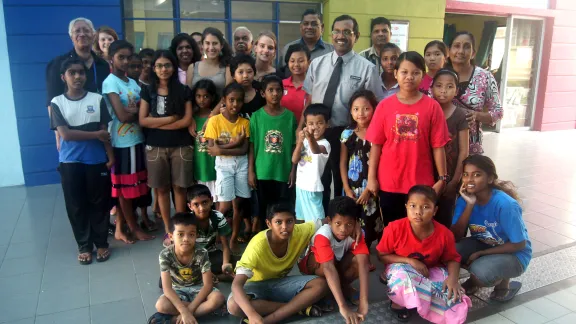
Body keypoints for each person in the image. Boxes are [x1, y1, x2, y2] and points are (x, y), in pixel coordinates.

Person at [304, 14, 385, 213]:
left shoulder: (367, 68)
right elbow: (308, 99)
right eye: (337, 31)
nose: (341, 36)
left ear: (356, 36)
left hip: (348, 134)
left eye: (347, 32)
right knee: (318, 179)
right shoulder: (317, 64)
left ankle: (343, 220)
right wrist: (303, 129)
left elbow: (375, 105)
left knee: (343, 180)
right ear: (331, 35)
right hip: (318, 132)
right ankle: (322, 220)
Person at [49, 58, 113, 265]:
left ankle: (101, 242)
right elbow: (65, 135)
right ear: (63, 77)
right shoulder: (57, 102)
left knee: (99, 203)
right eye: (72, 73)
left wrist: (110, 156)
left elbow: (106, 132)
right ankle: (84, 245)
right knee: (76, 205)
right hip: (70, 162)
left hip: (96, 160)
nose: (77, 76)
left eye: (81, 72)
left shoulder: (97, 99)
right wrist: (96, 135)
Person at [377, 185, 471, 323]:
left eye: (426, 207)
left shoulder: (444, 234)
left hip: (431, 270)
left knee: (454, 296)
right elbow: (382, 255)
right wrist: (410, 261)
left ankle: (420, 299)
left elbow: (453, 259)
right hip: (402, 268)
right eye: (413, 206)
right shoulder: (394, 228)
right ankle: (399, 302)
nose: (418, 212)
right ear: (406, 207)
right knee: (401, 278)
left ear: (435, 210)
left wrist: (453, 279)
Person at [227, 202, 329, 323]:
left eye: (289, 221)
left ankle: (268, 319)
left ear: (295, 221)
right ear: (269, 224)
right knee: (234, 305)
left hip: (280, 285)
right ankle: (299, 308)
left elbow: (328, 220)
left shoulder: (300, 230)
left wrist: (354, 225)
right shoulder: (257, 245)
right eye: (278, 222)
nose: (285, 227)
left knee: (321, 284)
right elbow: (236, 285)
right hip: (255, 287)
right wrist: (252, 314)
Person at [451, 155, 532, 302]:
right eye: (466, 174)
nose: (469, 180)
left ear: (490, 179)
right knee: (451, 249)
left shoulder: (506, 204)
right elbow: (454, 236)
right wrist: (469, 205)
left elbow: (520, 244)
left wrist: (483, 253)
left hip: (515, 254)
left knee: (481, 271)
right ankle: (477, 278)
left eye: (477, 175)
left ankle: (499, 282)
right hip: (486, 243)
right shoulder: (465, 199)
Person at [139, 50, 194, 247]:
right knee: (161, 189)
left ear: (173, 67)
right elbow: (143, 120)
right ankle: (169, 231)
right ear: (154, 68)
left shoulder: (184, 90)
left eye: (168, 65)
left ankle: (180, 229)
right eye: (159, 66)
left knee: (180, 188)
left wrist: (159, 123)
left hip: (181, 145)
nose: (164, 69)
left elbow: (186, 120)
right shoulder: (147, 91)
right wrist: (170, 119)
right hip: (155, 147)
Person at [103, 40, 155, 244]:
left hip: (137, 140)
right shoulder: (110, 82)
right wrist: (138, 112)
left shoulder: (131, 83)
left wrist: (137, 112)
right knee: (125, 190)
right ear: (111, 58)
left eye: (128, 57)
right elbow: (123, 116)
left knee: (136, 187)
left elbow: (144, 109)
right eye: (120, 57)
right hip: (123, 143)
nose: (125, 62)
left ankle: (122, 227)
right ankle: (133, 228)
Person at [298, 196, 370, 324]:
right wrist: (343, 307)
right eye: (338, 223)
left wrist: (364, 301)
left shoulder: (356, 233)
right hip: (318, 269)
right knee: (321, 264)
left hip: (336, 263)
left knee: (360, 263)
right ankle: (329, 293)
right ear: (330, 221)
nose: (343, 229)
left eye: (349, 224)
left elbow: (363, 263)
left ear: (355, 222)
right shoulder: (323, 235)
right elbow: (328, 268)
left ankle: (342, 287)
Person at [46, 17, 110, 152]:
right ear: (71, 36)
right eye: (77, 31)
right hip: (72, 133)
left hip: (100, 129)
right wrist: (58, 134)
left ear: (93, 35)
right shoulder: (58, 64)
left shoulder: (103, 65)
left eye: (86, 30)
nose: (82, 34)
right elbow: (52, 101)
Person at [149, 213, 227, 324]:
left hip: (199, 288)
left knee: (217, 298)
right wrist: (184, 311)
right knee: (161, 305)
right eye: (180, 234)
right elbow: (167, 289)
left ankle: (175, 319)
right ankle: (202, 312)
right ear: (171, 236)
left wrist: (188, 311)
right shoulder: (165, 255)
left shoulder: (201, 253)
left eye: (191, 234)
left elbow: (208, 285)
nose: (186, 239)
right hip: (178, 290)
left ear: (196, 236)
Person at [204, 83, 251, 254]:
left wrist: (224, 147)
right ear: (224, 100)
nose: (235, 104)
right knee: (223, 207)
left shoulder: (245, 122)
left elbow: (244, 149)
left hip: (242, 164)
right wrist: (235, 142)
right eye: (231, 100)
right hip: (223, 166)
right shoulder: (215, 121)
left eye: (239, 100)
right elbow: (211, 148)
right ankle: (212, 236)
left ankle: (232, 239)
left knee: (239, 204)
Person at [248, 75, 298, 231]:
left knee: (284, 208)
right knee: (264, 209)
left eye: (278, 90)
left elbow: (293, 146)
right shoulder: (256, 117)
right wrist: (251, 171)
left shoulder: (289, 117)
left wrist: (293, 170)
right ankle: (266, 238)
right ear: (263, 94)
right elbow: (252, 145)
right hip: (263, 171)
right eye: (270, 90)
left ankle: (282, 238)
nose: (275, 93)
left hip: (283, 172)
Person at [340, 90, 382, 271]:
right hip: (351, 188)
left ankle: (370, 257)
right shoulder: (347, 134)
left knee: (371, 222)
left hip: (372, 188)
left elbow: (381, 163)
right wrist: (346, 189)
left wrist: (369, 190)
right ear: (350, 111)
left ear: (374, 109)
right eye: (356, 109)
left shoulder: (378, 133)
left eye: (366, 108)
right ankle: (358, 256)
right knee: (354, 221)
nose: (361, 113)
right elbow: (342, 163)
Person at [447, 31, 503, 154]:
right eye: (456, 46)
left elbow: (498, 112)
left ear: (473, 53)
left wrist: (476, 115)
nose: (461, 51)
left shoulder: (485, 77)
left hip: (472, 146)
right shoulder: (440, 77)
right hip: (443, 145)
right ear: (448, 51)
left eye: (466, 47)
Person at [431, 68, 469, 227]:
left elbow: (464, 151)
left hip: (451, 175)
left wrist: (455, 181)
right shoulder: (428, 110)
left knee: (445, 217)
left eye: (449, 87)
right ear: (431, 88)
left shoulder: (460, 115)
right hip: (428, 175)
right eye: (439, 86)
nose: (443, 91)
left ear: (456, 90)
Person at [187, 184, 235, 281]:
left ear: (211, 200)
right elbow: (184, 251)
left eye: (205, 202)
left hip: (210, 255)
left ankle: (207, 277)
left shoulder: (218, 217)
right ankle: (210, 276)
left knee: (236, 263)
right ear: (190, 206)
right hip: (192, 258)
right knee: (165, 279)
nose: (201, 208)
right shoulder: (187, 222)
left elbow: (225, 246)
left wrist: (225, 263)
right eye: (196, 204)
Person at [292, 104, 330, 222]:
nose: (315, 127)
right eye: (311, 124)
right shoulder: (305, 142)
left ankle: (318, 240)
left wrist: (310, 138)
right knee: (301, 219)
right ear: (305, 125)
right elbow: (294, 159)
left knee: (317, 222)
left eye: (320, 123)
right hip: (300, 186)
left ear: (327, 124)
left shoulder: (325, 144)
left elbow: (316, 150)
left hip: (313, 188)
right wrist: (299, 142)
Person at [191, 80, 219, 197]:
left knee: (216, 196)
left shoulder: (216, 117)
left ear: (212, 98)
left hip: (213, 165)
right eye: (198, 96)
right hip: (198, 164)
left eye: (206, 96)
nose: (202, 100)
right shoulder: (192, 119)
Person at [187, 27, 233, 97]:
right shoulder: (192, 68)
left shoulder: (227, 68)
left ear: (221, 46)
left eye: (215, 43)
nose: (211, 47)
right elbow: (188, 97)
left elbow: (227, 96)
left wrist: (215, 109)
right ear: (202, 45)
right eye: (207, 43)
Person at [281, 44, 310, 124]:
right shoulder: (281, 85)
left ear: (309, 62)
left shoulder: (313, 86)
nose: (296, 64)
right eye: (292, 61)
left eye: (301, 61)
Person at [230, 54, 266, 120]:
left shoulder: (262, 94)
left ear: (254, 73)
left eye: (249, 72)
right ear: (233, 76)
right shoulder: (229, 95)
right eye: (240, 72)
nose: (245, 76)